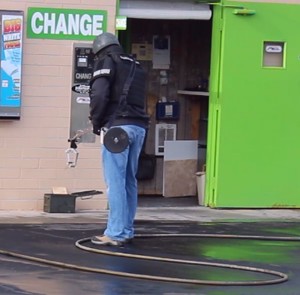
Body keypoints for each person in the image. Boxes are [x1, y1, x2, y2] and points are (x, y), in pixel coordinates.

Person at [89, 32, 149, 246]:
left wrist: (96, 123)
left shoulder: (106, 62)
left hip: (117, 130)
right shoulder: (136, 65)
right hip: (139, 127)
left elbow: (99, 94)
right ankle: (126, 229)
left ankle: (115, 233)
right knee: (129, 181)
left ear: (99, 51)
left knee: (115, 183)